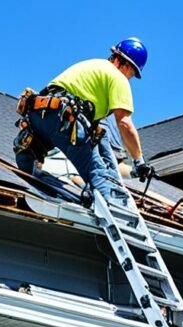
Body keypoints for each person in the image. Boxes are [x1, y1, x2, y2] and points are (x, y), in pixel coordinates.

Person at [14, 38, 155, 205]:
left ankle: (41, 196)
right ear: (122, 63)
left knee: (30, 168)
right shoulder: (117, 77)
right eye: (131, 73)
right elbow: (124, 123)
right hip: (66, 121)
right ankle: (114, 206)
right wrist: (139, 161)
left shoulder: (92, 67)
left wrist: (122, 175)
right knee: (98, 175)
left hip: (39, 115)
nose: (129, 78)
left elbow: (100, 136)